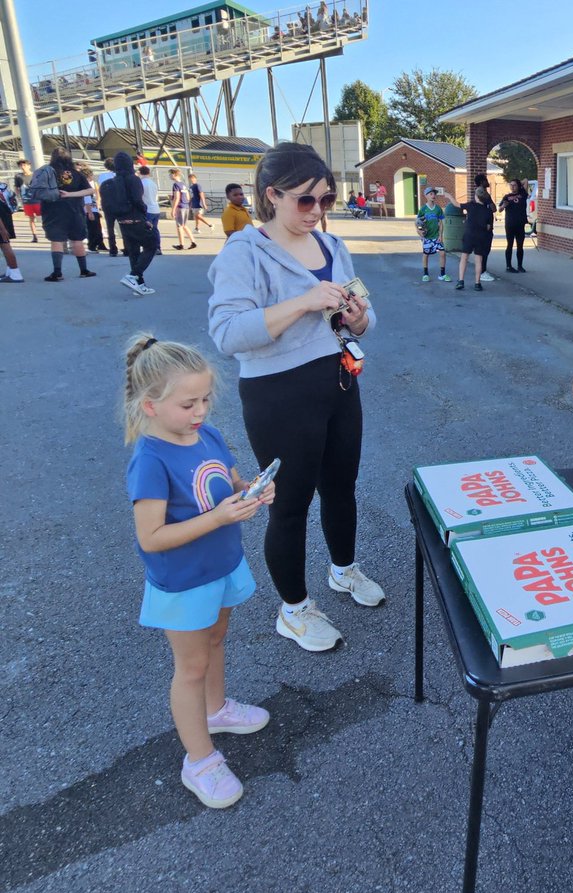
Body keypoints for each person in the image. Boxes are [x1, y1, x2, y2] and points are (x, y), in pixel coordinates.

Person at [208, 142, 381, 652]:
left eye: (326, 200)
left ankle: (343, 571)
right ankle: (295, 609)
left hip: (339, 381)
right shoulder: (244, 251)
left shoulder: (333, 246)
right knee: (289, 506)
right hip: (278, 394)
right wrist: (304, 302)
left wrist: (358, 318)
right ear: (272, 195)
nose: (317, 211)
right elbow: (227, 332)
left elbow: (366, 316)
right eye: (305, 201)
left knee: (342, 487)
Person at [123, 334, 273, 808]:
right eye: (189, 403)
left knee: (214, 642)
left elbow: (226, 479)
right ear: (150, 406)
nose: (201, 410)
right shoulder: (149, 460)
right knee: (190, 667)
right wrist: (219, 517)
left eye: (206, 399)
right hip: (185, 580)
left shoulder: (205, 434)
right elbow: (150, 537)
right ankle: (199, 760)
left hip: (221, 563)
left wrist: (251, 489)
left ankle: (216, 709)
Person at [28, 148, 96, 281]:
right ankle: (84, 270)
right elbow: (90, 190)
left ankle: (57, 272)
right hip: (74, 210)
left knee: (56, 240)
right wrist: (71, 194)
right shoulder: (76, 173)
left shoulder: (47, 172)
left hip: (52, 210)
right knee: (77, 240)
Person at [104, 152, 159, 296]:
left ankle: (139, 284)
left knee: (133, 253)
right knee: (151, 245)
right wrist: (144, 213)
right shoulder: (133, 179)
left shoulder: (112, 182)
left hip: (122, 222)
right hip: (136, 219)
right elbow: (138, 200)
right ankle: (133, 275)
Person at [456, 186, 491, 291]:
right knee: (478, 260)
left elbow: (457, 204)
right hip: (481, 236)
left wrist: (449, 196)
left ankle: (461, 281)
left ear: (476, 196)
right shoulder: (488, 211)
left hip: (469, 235)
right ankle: (477, 283)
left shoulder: (471, 205)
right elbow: (489, 227)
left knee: (464, 258)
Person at [416, 186, 450, 282]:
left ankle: (442, 274)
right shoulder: (423, 209)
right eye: (431, 194)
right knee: (426, 254)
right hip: (427, 237)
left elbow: (440, 223)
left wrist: (440, 235)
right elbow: (418, 223)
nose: (433, 195)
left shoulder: (438, 209)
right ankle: (426, 274)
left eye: (434, 193)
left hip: (436, 236)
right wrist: (419, 231)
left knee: (443, 253)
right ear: (426, 196)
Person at [498, 179, 529, 273]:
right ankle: (509, 266)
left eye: (514, 185)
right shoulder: (507, 197)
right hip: (510, 224)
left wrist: (519, 184)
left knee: (520, 245)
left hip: (520, 223)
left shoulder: (522, 194)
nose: (512, 187)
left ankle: (520, 266)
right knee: (510, 245)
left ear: (518, 186)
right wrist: (504, 206)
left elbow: (526, 181)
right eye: (511, 185)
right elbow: (499, 210)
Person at [472, 173, 496, 281]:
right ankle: (482, 272)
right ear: (482, 182)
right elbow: (493, 208)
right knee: (483, 250)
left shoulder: (483, 193)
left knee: (484, 250)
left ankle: (482, 271)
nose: (487, 182)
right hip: (483, 227)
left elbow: (493, 208)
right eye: (486, 180)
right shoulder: (481, 194)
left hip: (486, 226)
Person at [96, 158, 122, 257]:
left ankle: (113, 248)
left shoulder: (102, 176)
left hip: (107, 203)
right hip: (119, 203)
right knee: (122, 226)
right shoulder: (120, 176)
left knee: (110, 227)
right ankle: (127, 247)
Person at [80, 165, 108, 253]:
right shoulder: (85, 186)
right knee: (93, 229)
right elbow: (87, 200)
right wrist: (90, 212)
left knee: (97, 228)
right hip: (89, 209)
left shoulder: (90, 184)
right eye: (91, 175)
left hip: (93, 208)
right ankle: (92, 245)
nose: (92, 176)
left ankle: (100, 244)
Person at [169, 169, 196, 250]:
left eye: (170, 174)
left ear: (174, 175)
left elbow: (177, 197)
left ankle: (181, 244)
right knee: (184, 225)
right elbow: (188, 197)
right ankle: (193, 242)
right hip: (186, 206)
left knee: (179, 226)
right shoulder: (183, 184)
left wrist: (173, 209)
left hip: (180, 207)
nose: (169, 176)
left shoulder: (176, 185)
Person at [139, 166, 163, 255]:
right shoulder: (153, 183)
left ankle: (148, 248)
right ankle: (157, 247)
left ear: (140, 173)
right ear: (148, 173)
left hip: (147, 208)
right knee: (155, 229)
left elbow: (140, 197)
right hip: (155, 208)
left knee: (146, 229)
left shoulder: (141, 183)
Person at [15, 159, 38, 243]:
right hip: (27, 201)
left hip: (37, 200)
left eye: (24, 165)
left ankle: (49, 232)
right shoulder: (18, 176)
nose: (23, 167)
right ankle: (34, 236)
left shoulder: (35, 175)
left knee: (44, 217)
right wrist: (19, 197)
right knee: (31, 218)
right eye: (21, 165)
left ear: (29, 166)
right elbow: (17, 187)